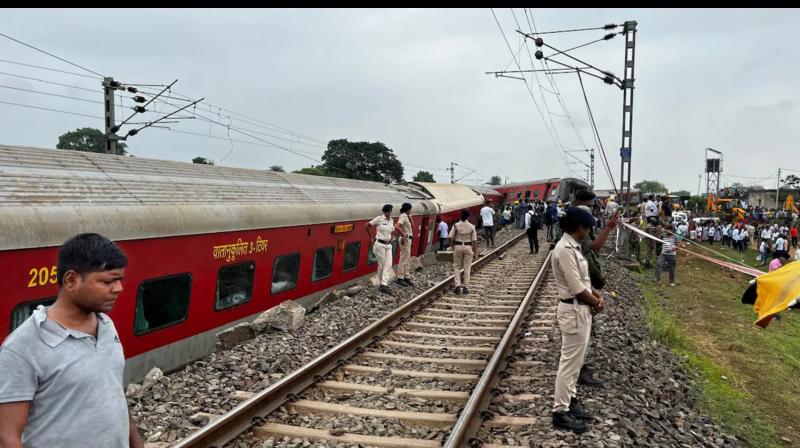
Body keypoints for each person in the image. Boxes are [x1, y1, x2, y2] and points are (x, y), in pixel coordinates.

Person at [0, 233, 144, 448]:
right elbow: (7, 437)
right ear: (71, 280)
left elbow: (113, 395)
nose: (119, 288)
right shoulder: (22, 347)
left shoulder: (106, 326)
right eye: (107, 281)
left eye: (119, 280)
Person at [550, 207, 605, 433]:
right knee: (569, 363)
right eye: (587, 228)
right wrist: (596, 302)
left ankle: (570, 400)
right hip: (573, 310)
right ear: (580, 228)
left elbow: (583, 281)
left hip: (580, 310)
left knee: (576, 362)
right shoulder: (564, 249)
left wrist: (595, 294)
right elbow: (576, 287)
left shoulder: (573, 247)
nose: (588, 232)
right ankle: (560, 411)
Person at [366, 204, 396, 294]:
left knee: (389, 264)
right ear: (384, 212)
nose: (388, 213)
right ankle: (382, 284)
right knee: (382, 264)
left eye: (389, 211)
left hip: (388, 245)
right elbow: (367, 225)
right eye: (387, 212)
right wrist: (371, 237)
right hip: (380, 245)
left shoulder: (391, 220)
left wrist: (393, 237)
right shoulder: (379, 219)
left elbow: (392, 231)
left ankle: (383, 284)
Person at [449, 209, 478, 295]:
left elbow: (450, 237)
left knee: (457, 267)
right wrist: (475, 252)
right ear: (468, 217)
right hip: (468, 247)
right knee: (467, 267)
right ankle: (465, 287)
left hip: (458, 246)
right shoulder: (472, 226)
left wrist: (452, 245)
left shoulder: (456, 225)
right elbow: (474, 241)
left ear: (460, 216)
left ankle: (457, 286)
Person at [394, 202, 414, 287]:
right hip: (405, 239)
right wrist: (403, 234)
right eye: (410, 209)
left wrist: (410, 217)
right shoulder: (403, 216)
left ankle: (406, 276)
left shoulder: (406, 216)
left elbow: (413, 226)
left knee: (407, 259)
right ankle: (400, 278)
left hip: (408, 239)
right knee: (403, 259)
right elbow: (397, 226)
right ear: (408, 209)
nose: (410, 211)